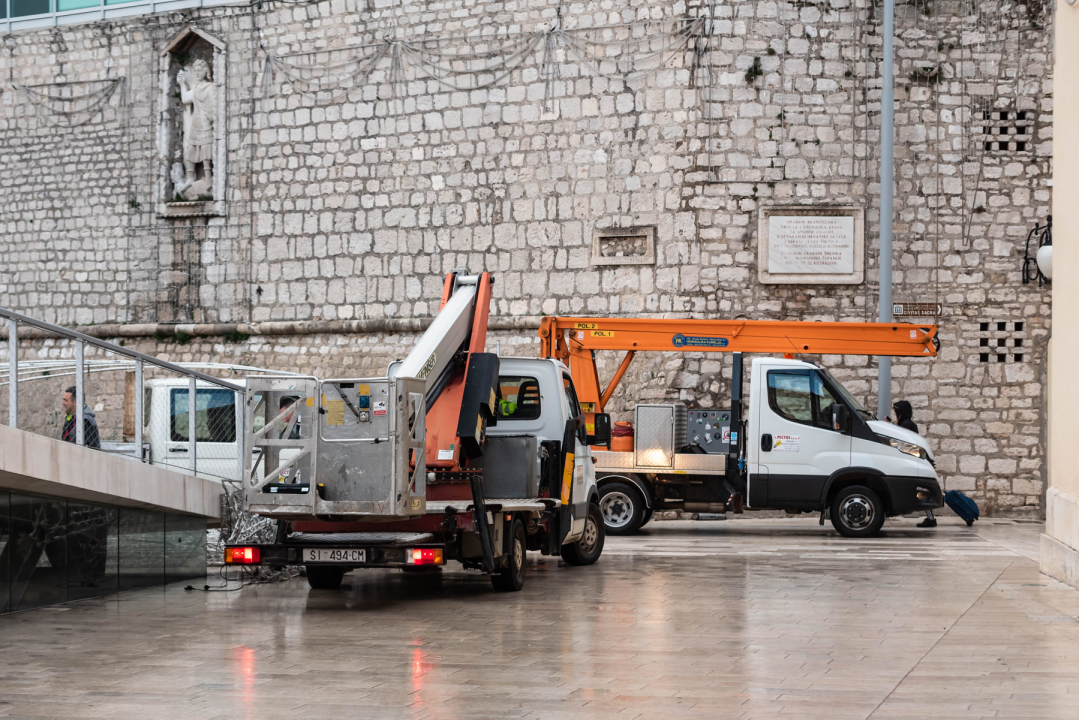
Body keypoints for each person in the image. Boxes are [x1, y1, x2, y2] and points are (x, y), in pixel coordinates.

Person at [891, 400, 935, 528]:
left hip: (914, 463)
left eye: (896, 413)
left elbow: (902, 443)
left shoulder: (906, 425)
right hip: (917, 461)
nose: (895, 415)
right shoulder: (909, 424)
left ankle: (931, 519)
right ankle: (931, 518)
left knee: (921, 491)